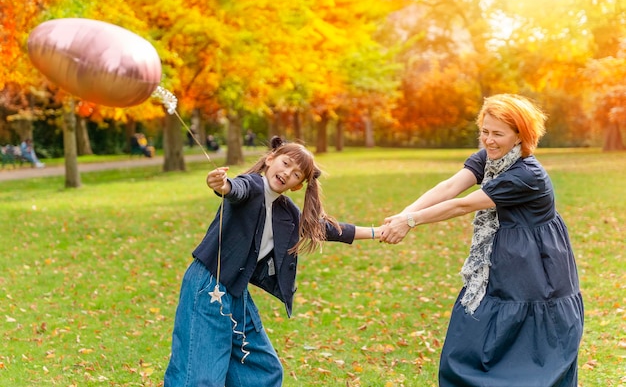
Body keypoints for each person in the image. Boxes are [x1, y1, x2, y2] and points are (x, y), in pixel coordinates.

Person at [380, 94, 583, 387]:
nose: (488, 140)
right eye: (484, 131)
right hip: (504, 255)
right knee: (471, 336)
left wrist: (410, 222)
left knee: (530, 351)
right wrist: (403, 214)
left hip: (539, 266)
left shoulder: (527, 174)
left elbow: (463, 205)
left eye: (498, 133)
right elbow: (450, 187)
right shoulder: (491, 158)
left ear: (520, 136)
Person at [164, 136, 382, 387]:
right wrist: (222, 185)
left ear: (298, 185)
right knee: (199, 377)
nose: (287, 172)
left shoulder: (284, 211)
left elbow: (323, 229)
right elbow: (237, 189)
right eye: (285, 163)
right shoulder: (253, 185)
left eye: (296, 173)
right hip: (207, 286)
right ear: (270, 159)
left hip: (235, 291)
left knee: (262, 371)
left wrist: (377, 232)